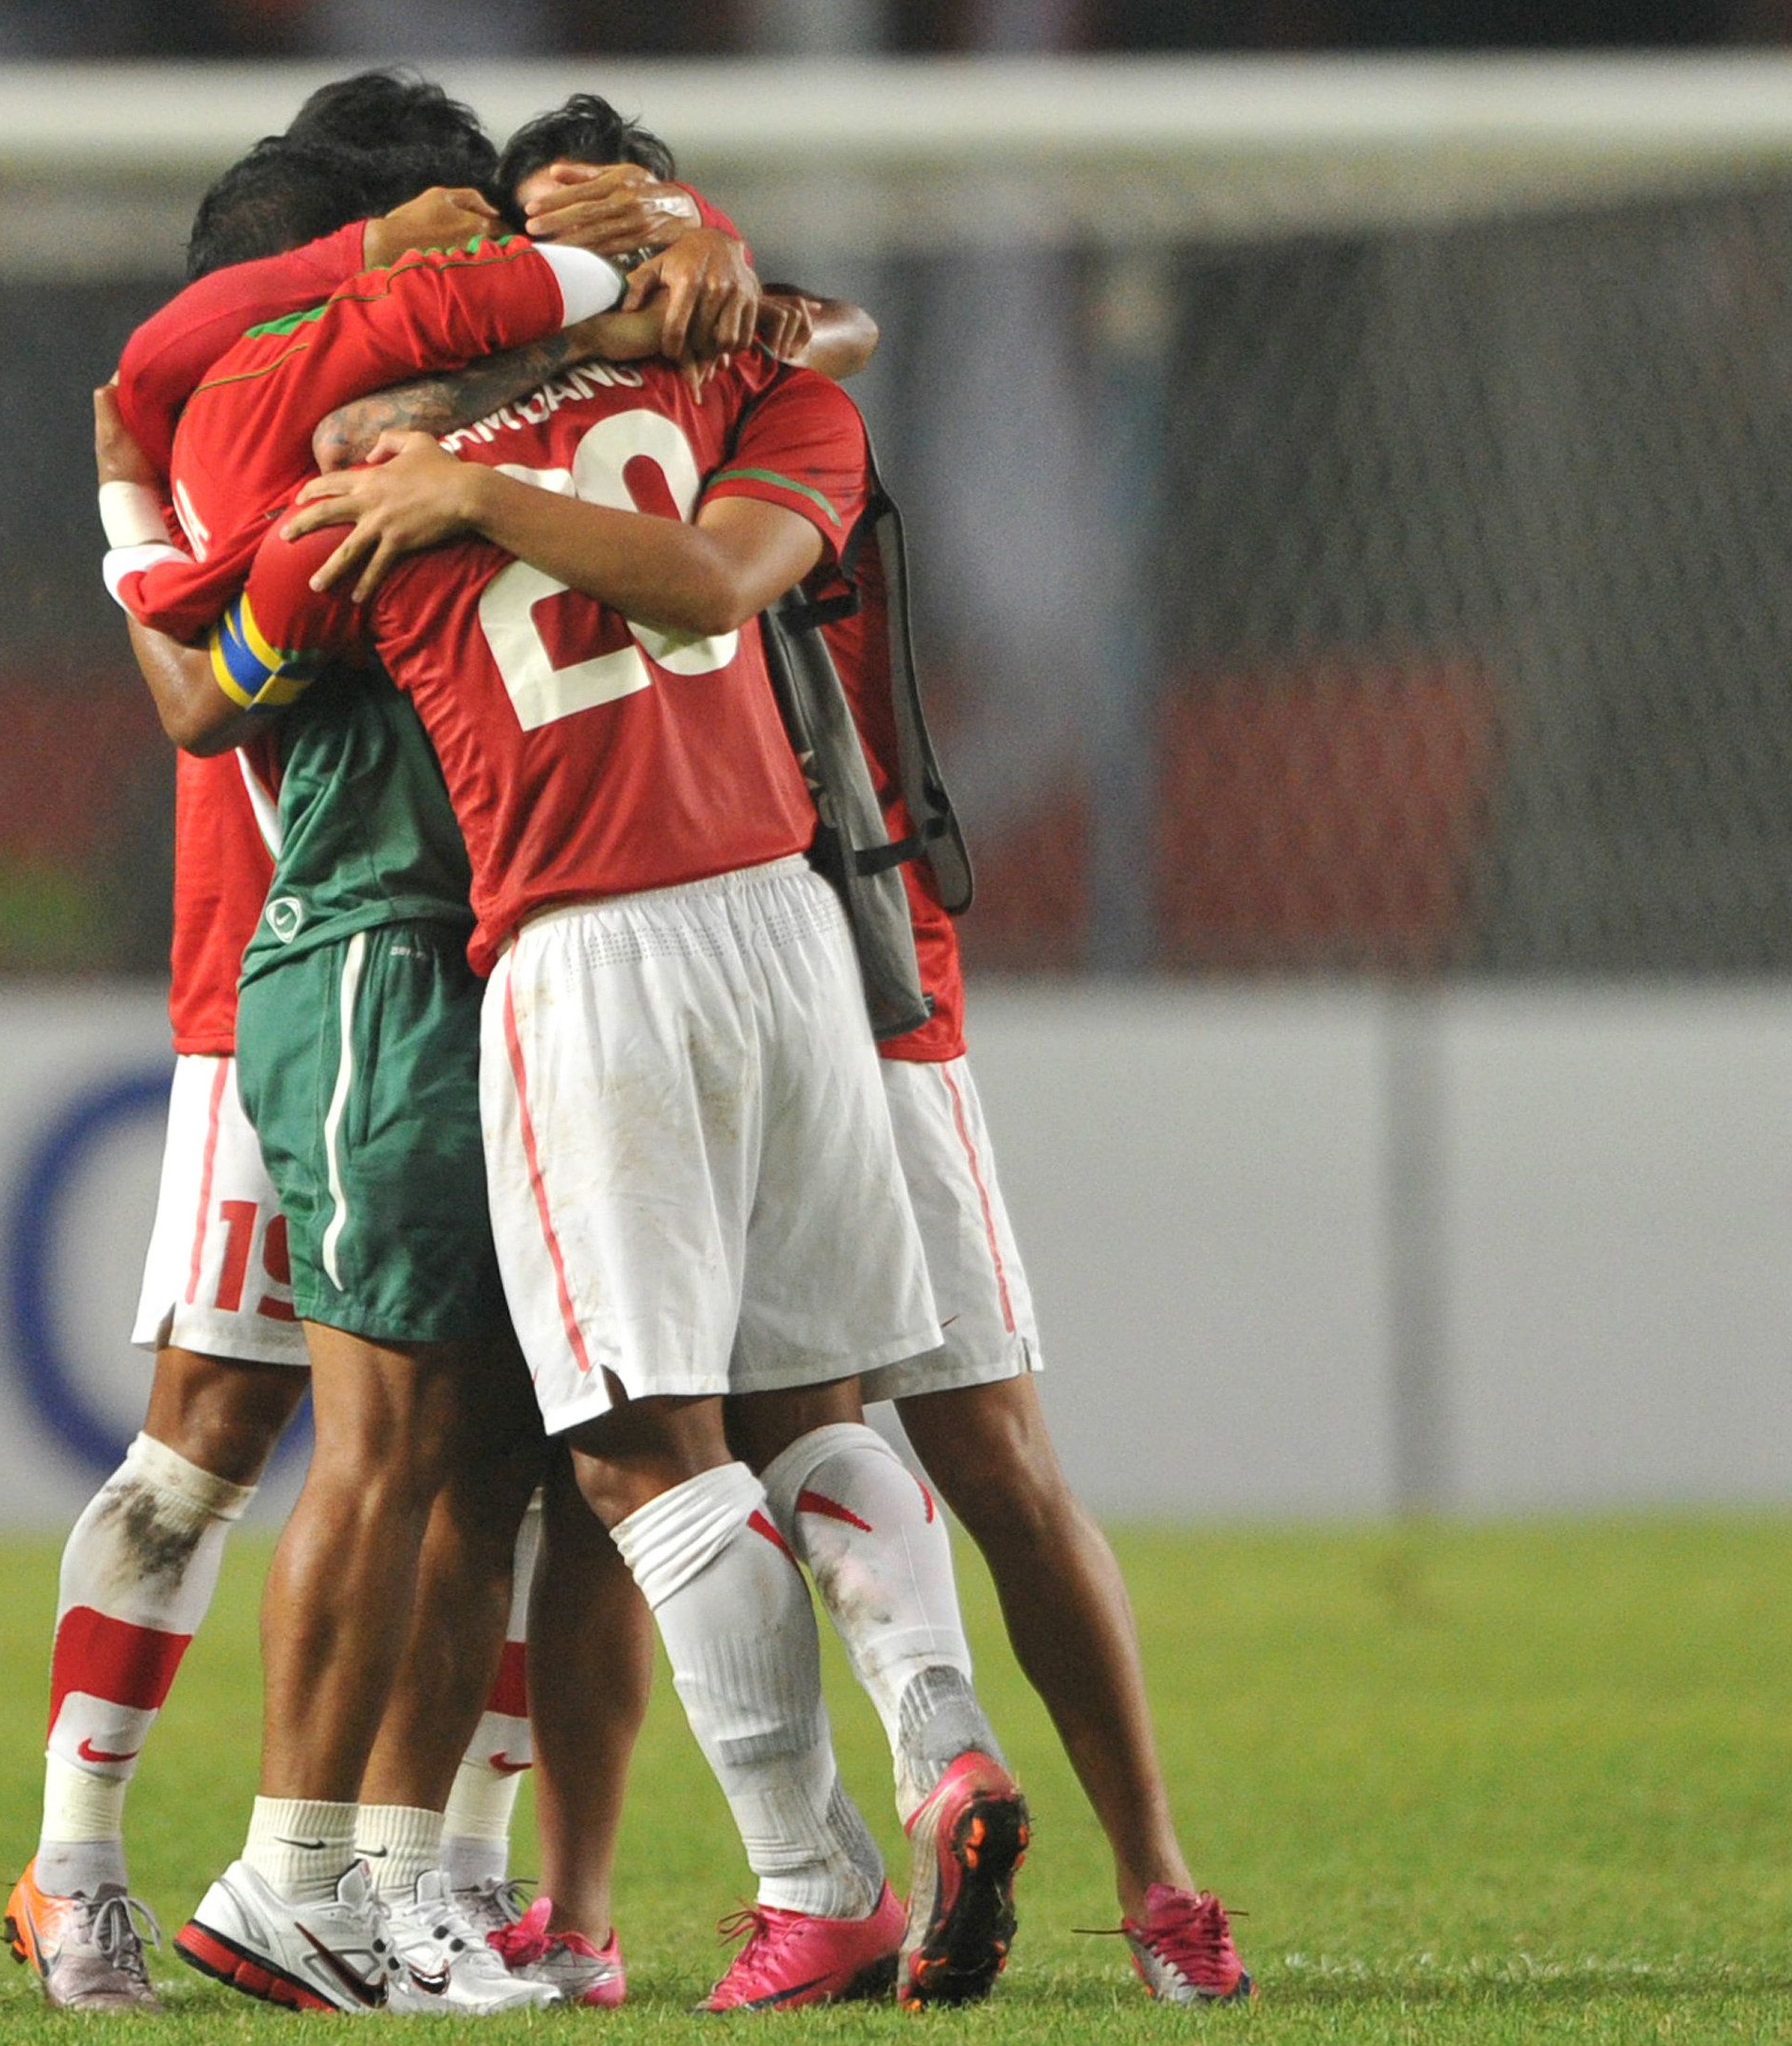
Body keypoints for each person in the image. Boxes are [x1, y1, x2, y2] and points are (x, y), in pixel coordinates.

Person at [285, 96, 1253, 2009]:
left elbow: (250, 567)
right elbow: (793, 368)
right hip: (805, 922)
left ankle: (813, 1876)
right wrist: (672, 258)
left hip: (589, 947)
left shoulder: (381, 464)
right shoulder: (755, 394)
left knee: (639, 1460)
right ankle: (950, 1751)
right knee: (838, 1411)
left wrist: (431, 459)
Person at [0, 74, 524, 2015]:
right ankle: (77, 1859)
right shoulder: (270, 390)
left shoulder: (425, 409)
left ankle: (450, 1879)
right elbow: (160, 358)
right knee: (211, 1437)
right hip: (283, 973)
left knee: (507, 1447)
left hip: (490, 963)